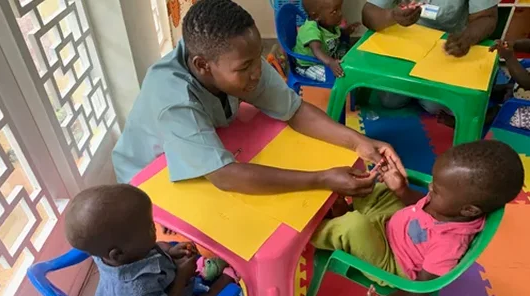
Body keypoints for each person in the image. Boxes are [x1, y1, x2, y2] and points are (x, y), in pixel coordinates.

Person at [112, 0, 404, 199]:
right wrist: (321, 179)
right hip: (147, 181)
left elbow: (295, 110)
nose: (257, 73)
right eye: (245, 68)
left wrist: (358, 142)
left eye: (256, 60)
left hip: (202, 149)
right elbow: (225, 176)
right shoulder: (173, 99)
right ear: (202, 65)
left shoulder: (234, 60)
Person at [311, 140, 524, 296]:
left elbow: (422, 288)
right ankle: (344, 215)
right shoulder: (453, 206)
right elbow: (422, 205)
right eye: (433, 182)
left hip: (392, 261)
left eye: (437, 190)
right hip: (393, 223)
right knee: (382, 190)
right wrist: (402, 190)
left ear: (469, 210)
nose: (430, 187)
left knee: (354, 227)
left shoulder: (448, 245)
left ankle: (315, 231)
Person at [64, 184, 237, 296]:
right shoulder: (135, 292)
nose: (155, 227)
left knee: (167, 249)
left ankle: (196, 275)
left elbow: (151, 247)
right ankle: (225, 281)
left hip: (154, 295)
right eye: (148, 228)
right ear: (118, 253)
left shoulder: (117, 254)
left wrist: (169, 251)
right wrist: (182, 277)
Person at [361, 0, 499, 116]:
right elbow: (368, 13)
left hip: (447, 48)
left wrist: (467, 38)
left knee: (435, 106)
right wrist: (391, 15)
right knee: (390, 101)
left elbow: (487, 17)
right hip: (403, 43)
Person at [293, 0, 358, 82]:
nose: (340, 13)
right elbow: (317, 50)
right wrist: (331, 62)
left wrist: (346, 31)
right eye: (334, 11)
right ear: (316, 16)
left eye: (340, 8)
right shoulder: (310, 30)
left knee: (351, 56)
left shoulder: (330, 23)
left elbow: (336, 34)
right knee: (338, 77)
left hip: (328, 54)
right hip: (310, 65)